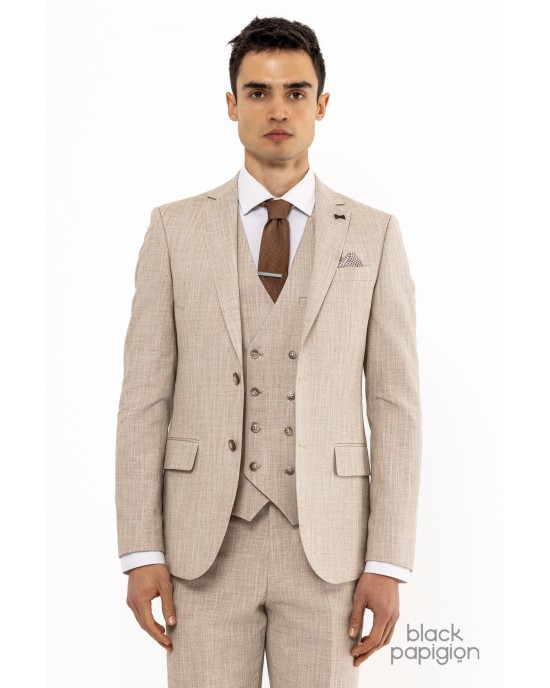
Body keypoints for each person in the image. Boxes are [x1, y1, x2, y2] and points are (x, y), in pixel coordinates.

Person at [115, 15, 422, 688]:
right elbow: (144, 399)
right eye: (258, 92)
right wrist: (140, 549)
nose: (277, 109)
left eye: (295, 92)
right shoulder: (173, 230)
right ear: (232, 105)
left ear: (321, 104)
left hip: (331, 556)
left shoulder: (373, 237)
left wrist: (387, 561)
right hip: (202, 552)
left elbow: (395, 407)